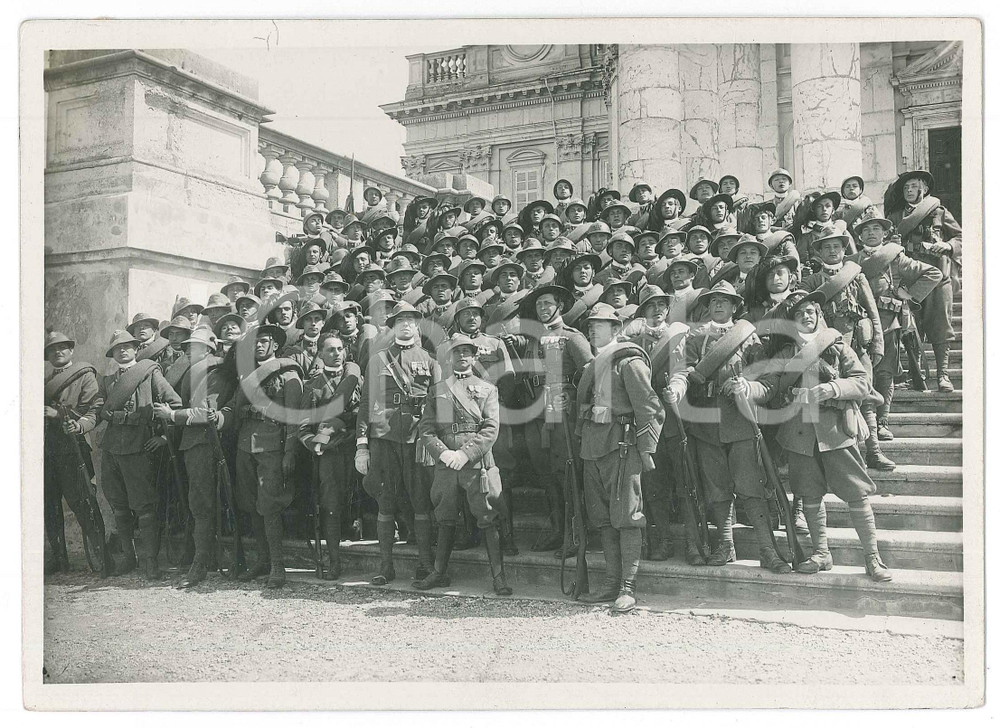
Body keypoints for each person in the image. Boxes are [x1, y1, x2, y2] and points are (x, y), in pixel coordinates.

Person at [761, 289, 892, 581]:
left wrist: (832, 389)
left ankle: (872, 558)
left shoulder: (838, 346)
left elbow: (862, 383)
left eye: (811, 311)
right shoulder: (785, 354)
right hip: (799, 435)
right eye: (799, 313)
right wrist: (752, 389)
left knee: (856, 494)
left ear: (819, 316)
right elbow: (769, 385)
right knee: (808, 495)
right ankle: (821, 554)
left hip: (835, 432)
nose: (806, 316)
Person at [664, 281, 790, 574]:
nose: (719, 305)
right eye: (714, 301)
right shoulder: (695, 338)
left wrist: (748, 387)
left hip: (741, 422)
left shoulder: (748, 339)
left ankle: (767, 550)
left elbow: (766, 381)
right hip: (705, 423)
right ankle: (725, 545)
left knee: (750, 487)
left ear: (735, 306)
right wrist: (676, 388)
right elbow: (684, 372)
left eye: (725, 300)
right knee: (716, 488)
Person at [575, 303, 664, 613]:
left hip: (621, 446)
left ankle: (628, 586)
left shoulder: (628, 362)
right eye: (590, 325)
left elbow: (650, 409)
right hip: (592, 449)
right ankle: (611, 582)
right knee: (602, 519)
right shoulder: (592, 365)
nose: (591, 329)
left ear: (616, 330)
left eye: (598, 325)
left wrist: (646, 451)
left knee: (626, 516)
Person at [414, 334, 511, 594]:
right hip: (447, 462)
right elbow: (427, 428)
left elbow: (491, 428)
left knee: (487, 516)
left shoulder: (488, 389)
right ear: (450, 357)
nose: (462, 356)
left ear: (474, 356)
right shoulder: (437, 390)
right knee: (445, 517)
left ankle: (498, 576)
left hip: (476, 463)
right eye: (457, 352)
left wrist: (465, 454)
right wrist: (443, 453)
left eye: (467, 351)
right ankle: (438, 572)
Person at [501, 285, 593, 553]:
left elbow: (589, 372)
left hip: (560, 411)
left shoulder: (571, 337)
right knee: (546, 475)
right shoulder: (532, 338)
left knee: (567, 472)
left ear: (560, 306)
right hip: (535, 411)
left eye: (548, 304)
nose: (543, 309)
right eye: (539, 305)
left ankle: (576, 534)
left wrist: (574, 398)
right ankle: (557, 529)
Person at [354, 302, 440, 585]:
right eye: (400, 320)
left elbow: (439, 403)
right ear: (392, 326)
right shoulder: (378, 359)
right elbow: (367, 403)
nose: (405, 324)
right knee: (386, 502)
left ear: (417, 326)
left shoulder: (429, 360)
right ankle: (385, 565)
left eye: (411, 320)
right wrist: (362, 445)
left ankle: (425, 564)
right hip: (384, 437)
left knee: (420, 501)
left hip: (417, 437)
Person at [216, 324, 304, 588]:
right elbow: (234, 406)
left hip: (272, 446)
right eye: (254, 343)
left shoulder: (288, 374)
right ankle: (263, 560)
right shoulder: (248, 376)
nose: (259, 346)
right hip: (246, 444)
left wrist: (290, 452)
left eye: (264, 341)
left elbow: (294, 418)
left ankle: (278, 565)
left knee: (269, 504)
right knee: (251, 503)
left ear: (275, 345)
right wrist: (220, 417)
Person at [150, 326, 237, 588]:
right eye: (187, 347)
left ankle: (201, 561)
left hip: (206, 443)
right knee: (195, 501)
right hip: (191, 444)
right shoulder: (196, 372)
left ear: (209, 349)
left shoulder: (216, 373)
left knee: (201, 503)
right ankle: (199, 556)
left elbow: (205, 414)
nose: (188, 351)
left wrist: (172, 415)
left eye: (194, 347)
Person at [800, 227, 891, 470]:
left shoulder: (856, 275)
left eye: (837, 246)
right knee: (835, 401)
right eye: (826, 247)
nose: (832, 251)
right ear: (818, 252)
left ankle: (874, 451)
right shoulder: (810, 281)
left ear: (844, 250)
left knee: (867, 396)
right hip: (826, 352)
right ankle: (845, 461)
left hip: (857, 348)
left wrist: (878, 342)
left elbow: (871, 311)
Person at [848, 210, 942, 441]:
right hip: (857, 325)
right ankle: (860, 424)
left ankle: (882, 422)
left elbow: (934, 273)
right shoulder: (850, 262)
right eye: (866, 230)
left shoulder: (895, 258)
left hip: (888, 323)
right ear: (859, 236)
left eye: (876, 229)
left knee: (885, 374)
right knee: (857, 373)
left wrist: (908, 295)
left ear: (885, 233)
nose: (871, 233)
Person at [97, 328, 183, 579]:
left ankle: (150, 562)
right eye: (117, 348)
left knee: (145, 508)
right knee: (119, 506)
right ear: (113, 354)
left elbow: (175, 405)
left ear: (136, 349)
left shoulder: (149, 374)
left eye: (127, 346)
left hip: (139, 448)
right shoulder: (108, 381)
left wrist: (164, 438)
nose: (122, 350)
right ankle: (129, 558)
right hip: (111, 448)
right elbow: (98, 409)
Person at [885, 169, 962, 393]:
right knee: (910, 328)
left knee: (941, 327)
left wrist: (948, 246)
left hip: (938, 277)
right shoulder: (896, 216)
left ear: (924, 189)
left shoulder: (939, 211)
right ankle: (915, 375)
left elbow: (960, 236)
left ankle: (943, 376)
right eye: (906, 187)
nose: (909, 191)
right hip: (910, 280)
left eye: (914, 186)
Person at [298, 331, 363, 579]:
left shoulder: (357, 380)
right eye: (330, 350)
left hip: (356, 447)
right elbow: (303, 428)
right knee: (331, 505)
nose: (336, 354)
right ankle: (334, 561)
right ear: (320, 354)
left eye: (339, 349)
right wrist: (316, 444)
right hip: (330, 454)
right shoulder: (312, 387)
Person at [44, 331, 105, 574]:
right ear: (48, 355)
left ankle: (100, 556)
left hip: (73, 448)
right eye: (52, 349)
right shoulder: (45, 380)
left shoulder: (85, 375)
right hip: (47, 449)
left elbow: (90, 409)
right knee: (49, 504)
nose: (58, 352)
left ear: (71, 351)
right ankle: (59, 558)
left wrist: (58, 414)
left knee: (83, 501)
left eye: (63, 348)